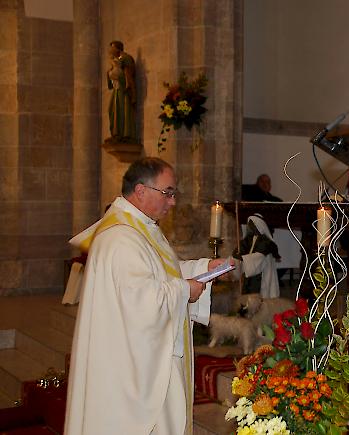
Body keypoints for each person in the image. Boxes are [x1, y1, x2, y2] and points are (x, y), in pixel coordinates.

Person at [65, 157, 230, 435]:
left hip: (147, 354)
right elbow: (140, 301)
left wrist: (203, 268)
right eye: (168, 193)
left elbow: (160, 273)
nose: (173, 201)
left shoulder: (141, 227)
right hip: (132, 367)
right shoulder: (121, 237)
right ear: (141, 191)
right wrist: (185, 289)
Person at [107, 40, 137, 142]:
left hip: (124, 89)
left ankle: (126, 134)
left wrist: (132, 92)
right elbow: (111, 81)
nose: (110, 50)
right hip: (116, 89)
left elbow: (129, 74)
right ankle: (116, 133)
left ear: (118, 48)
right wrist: (110, 73)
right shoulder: (116, 60)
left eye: (112, 47)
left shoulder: (125, 58)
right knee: (112, 110)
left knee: (123, 110)